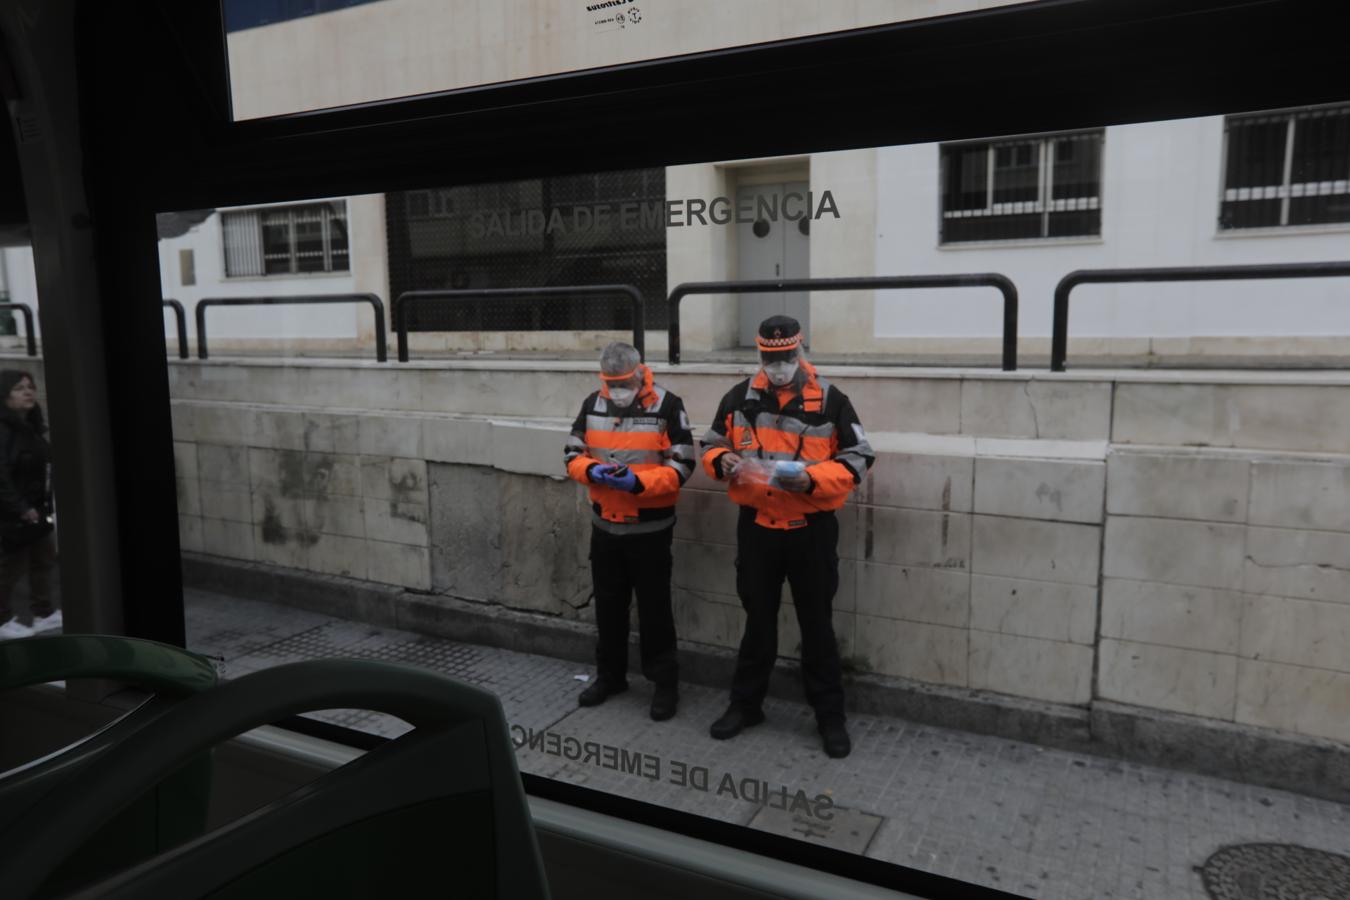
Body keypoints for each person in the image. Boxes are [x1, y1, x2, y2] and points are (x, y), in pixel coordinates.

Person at [699, 316, 874, 758]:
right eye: (770, 360)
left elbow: (858, 458)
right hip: (758, 529)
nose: (778, 368)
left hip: (809, 532)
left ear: (800, 353)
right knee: (757, 622)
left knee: (817, 627)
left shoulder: (831, 400)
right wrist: (721, 462)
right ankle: (746, 705)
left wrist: (813, 481)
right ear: (760, 356)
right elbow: (712, 443)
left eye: (786, 359)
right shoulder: (739, 397)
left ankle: (830, 717)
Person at [563, 342, 695, 720]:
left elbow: (683, 466)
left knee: (655, 611)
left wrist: (638, 484)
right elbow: (573, 453)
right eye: (611, 382)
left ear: (640, 373)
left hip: (650, 531)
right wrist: (590, 471)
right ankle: (610, 676)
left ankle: (664, 684)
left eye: (624, 382)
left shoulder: (668, 405)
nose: (618, 389)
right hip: (605, 527)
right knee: (608, 608)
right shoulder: (593, 404)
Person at [0, 370, 60, 640]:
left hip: (37, 509)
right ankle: (2, 620)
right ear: (4, 395)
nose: (28, 392)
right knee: (10, 568)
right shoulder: (4, 430)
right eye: (19, 388)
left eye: (30, 386)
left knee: (42, 559)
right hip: (14, 513)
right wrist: (21, 507)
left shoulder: (32, 427)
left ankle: (43, 613)